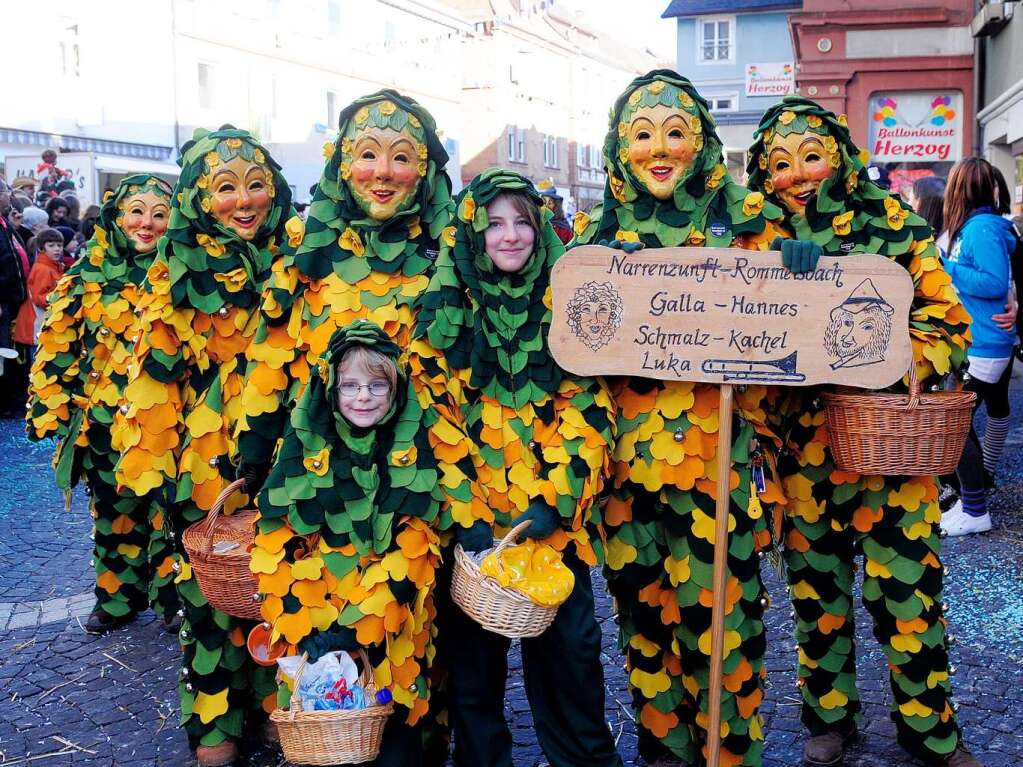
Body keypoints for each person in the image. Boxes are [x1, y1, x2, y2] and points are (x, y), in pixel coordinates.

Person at [745, 96, 977, 767]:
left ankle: (929, 727)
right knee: (815, 595)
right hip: (802, 454)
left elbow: (948, 319)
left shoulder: (892, 224)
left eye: (809, 156)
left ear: (838, 157)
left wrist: (906, 360)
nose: (796, 175)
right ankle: (828, 718)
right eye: (779, 164)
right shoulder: (750, 241)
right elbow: (732, 334)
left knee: (908, 591)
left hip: (888, 453)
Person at [237, 89, 458, 764]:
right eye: (367, 155)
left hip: (416, 473)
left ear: (423, 169)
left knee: (413, 613)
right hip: (318, 472)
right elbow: (271, 348)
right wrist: (252, 445)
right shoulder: (310, 247)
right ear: (342, 164)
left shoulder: (448, 248)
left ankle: (415, 738)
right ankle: (334, 731)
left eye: (400, 157)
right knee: (327, 609)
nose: (383, 172)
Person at [592, 70, 802, 767]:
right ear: (621, 149)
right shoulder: (601, 229)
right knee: (643, 620)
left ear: (700, 143)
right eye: (643, 135)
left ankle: (727, 751)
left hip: (718, 464)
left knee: (725, 624)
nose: (659, 149)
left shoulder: (744, 217)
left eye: (674, 134)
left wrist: (800, 260)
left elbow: (793, 318)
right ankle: (665, 748)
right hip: (627, 474)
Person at [410, 168, 622, 767]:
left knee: (573, 666)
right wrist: (467, 518)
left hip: (551, 533)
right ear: (472, 236)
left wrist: (554, 504)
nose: (509, 237)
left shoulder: (568, 310)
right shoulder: (443, 314)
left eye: (522, 223)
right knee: (474, 685)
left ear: (540, 230)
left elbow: (586, 408)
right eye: (494, 224)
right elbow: (430, 419)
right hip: (475, 538)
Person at [113, 127, 295, 767]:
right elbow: (154, 380)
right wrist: (154, 464)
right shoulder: (174, 271)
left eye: (255, 185)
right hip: (203, 466)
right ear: (198, 196)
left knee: (281, 586)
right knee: (210, 596)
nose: (243, 200)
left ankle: (280, 706)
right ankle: (216, 721)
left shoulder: (297, 257)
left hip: (283, 459)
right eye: (225, 188)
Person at [253, 320, 443, 766]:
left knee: (395, 743)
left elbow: (415, 543)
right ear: (330, 391)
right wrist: (309, 621)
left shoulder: (412, 447)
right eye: (350, 386)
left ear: (396, 392)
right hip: (315, 629)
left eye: (377, 386)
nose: (362, 397)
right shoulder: (302, 448)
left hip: (389, 627)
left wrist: (360, 624)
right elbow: (275, 543)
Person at [26, 176, 181, 634]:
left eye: (159, 213)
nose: (147, 224)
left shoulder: (183, 275)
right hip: (102, 424)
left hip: (165, 425)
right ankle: (117, 598)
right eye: (137, 211)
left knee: (167, 514)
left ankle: (173, 599)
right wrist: (50, 406)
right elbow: (56, 347)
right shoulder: (83, 277)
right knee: (113, 519)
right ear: (115, 215)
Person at [940, 157, 1016, 538]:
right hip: (982, 342)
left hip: (986, 344)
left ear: (958, 191)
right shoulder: (977, 227)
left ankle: (974, 508)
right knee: (962, 425)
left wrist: (946, 267)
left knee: (955, 428)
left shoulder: (982, 228)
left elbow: (993, 284)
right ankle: (971, 500)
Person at [0, 179, 30, 418]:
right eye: (6, 192)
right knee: (3, 354)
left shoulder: (5, 224)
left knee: (12, 352)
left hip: (14, 303)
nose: (10, 197)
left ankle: (12, 400)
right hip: (3, 304)